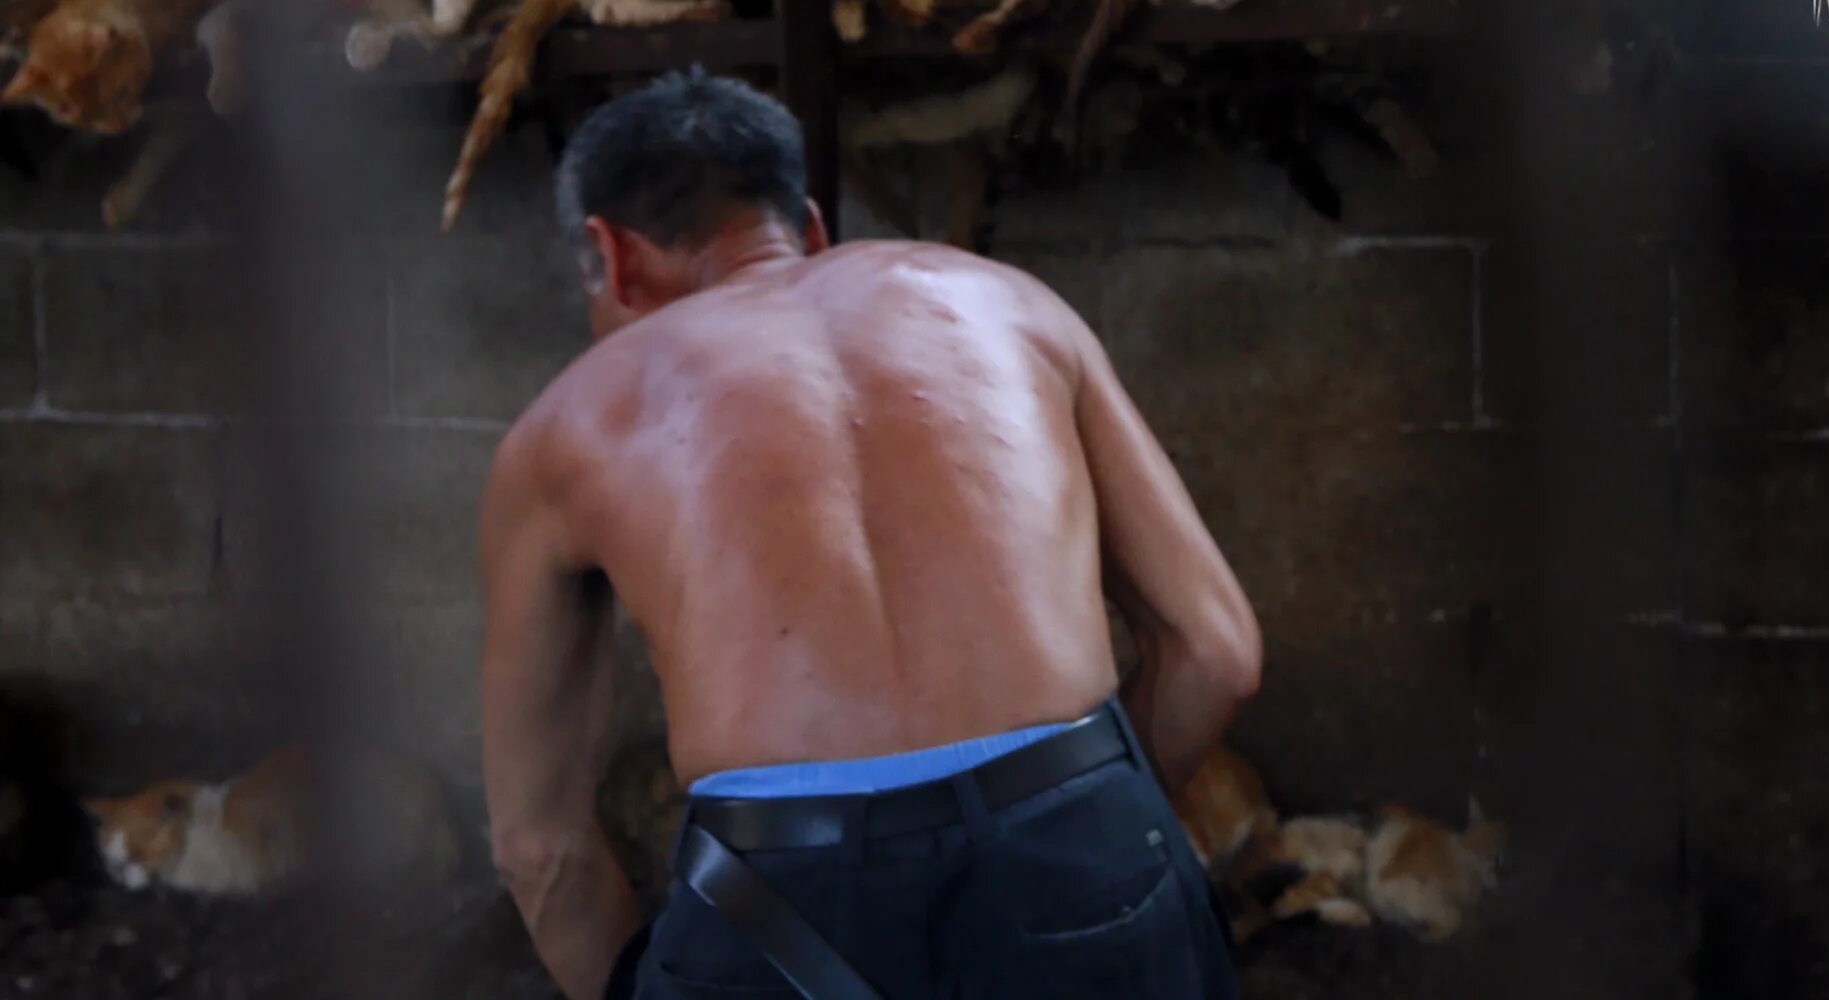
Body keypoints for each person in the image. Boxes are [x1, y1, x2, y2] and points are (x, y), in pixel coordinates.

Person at [477, 71, 1259, 1000]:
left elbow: (540, 849)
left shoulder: (560, 429)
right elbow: (1215, 653)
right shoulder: (1010, 304)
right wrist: (1078, 831)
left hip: (776, 909)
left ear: (611, 256)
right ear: (807, 229)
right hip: (1083, 851)